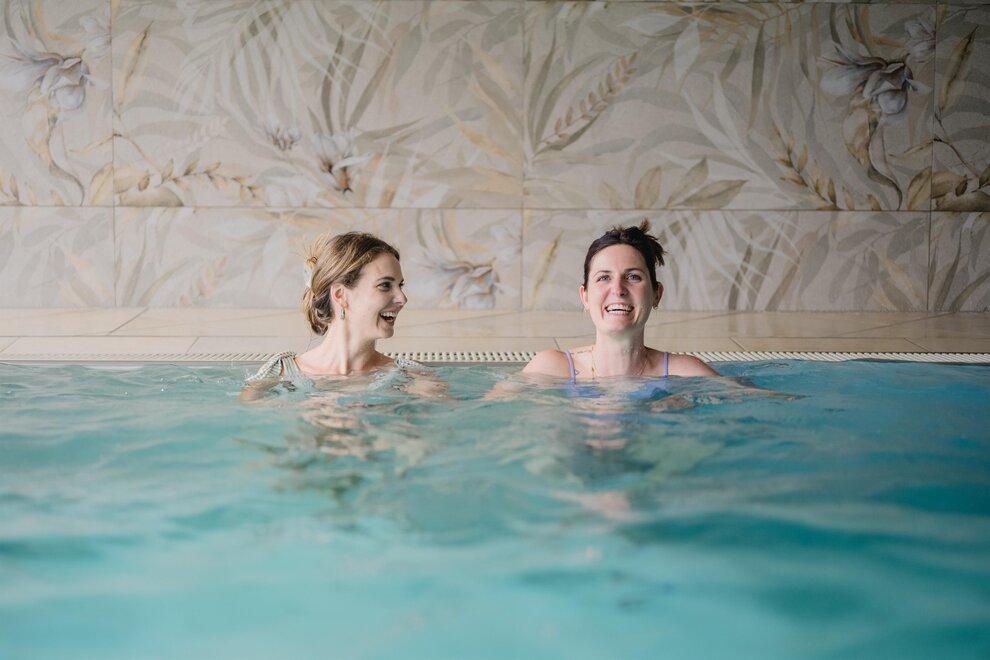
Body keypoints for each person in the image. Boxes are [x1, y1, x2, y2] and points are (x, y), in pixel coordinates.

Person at [523, 221, 718, 381]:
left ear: (656, 294)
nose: (618, 290)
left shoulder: (687, 374)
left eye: (633, 277)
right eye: (604, 277)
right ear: (585, 297)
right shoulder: (550, 370)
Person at [243, 231, 418, 398]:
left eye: (400, 286)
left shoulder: (412, 377)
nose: (402, 298)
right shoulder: (276, 374)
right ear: (340, 295)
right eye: (385, 285)